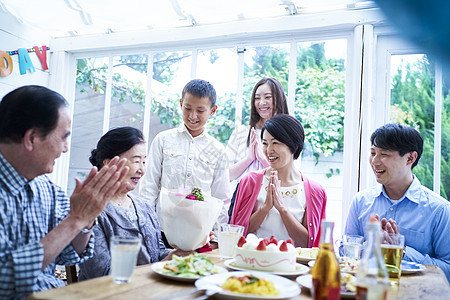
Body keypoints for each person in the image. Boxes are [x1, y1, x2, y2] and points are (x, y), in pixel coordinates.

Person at [0, 85, 129, 299]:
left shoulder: (47, 189)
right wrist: (75, 219)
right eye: (63, 137)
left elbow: (69, 253)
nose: (66, 148)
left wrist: (86, 219)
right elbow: (4, 279)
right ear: (31, 138)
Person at [78, 127, 192, 280]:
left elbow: (157, 253)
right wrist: (161, 264)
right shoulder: (91, 212)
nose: (142, 170)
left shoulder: (144, 207)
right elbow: (102, 274)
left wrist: (178, 253)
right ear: (109, 163)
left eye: (144, 162)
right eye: (136, 161)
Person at [344, 123, 450, 282]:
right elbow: (346, 254)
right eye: (373, 152)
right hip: (365, 290)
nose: (375, 161)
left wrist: (403, 251)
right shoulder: (361, 201)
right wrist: (372, 245)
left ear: (410, 158)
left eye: (384, 154)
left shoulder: (439, 210)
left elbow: (447, 268)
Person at [138, 79, 230, 245]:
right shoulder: (163, 140)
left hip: (200, 234)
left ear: (213, 110)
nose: (192, 116)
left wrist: (217, 237)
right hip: (162, 230)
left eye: (200, 110)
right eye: (187, 108)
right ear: (181, 104)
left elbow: (220, 199)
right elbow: (149, 186)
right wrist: (146, 227)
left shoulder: (218, 150)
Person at [230, 114, 327, 247]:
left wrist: (282, 209)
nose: (269, 150)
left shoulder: (315, 191)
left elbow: (309, 243)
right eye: (265, 143)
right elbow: (237, 235)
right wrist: (265, 208)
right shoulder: (249, 182)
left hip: (294, 266)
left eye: (275, 143)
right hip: (253, 263)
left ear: (295, 146)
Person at [226, 78, 289, 186]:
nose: (262, 102)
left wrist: (262, 158)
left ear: (280, 98)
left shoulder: (288, 134)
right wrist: (249, 158)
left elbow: (287, 179)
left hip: (271, 200)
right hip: (241, 198)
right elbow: (226, 175)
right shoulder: (241, 132)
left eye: (268, 97)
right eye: (257, 98)